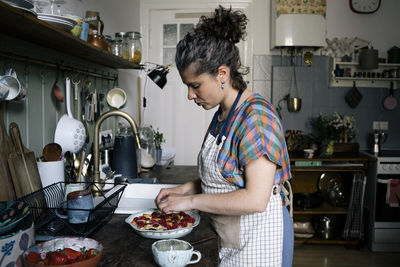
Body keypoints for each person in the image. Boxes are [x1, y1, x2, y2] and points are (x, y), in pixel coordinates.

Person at [155, 6, 293, 266]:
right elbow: (225, 178)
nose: (190, 95)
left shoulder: (256, 117)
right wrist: (181, 191)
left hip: (260, 242)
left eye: (195, 86)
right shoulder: (223, 114)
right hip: (231, 239)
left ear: (222, 74)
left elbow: (255, 198)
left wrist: (190, 201)